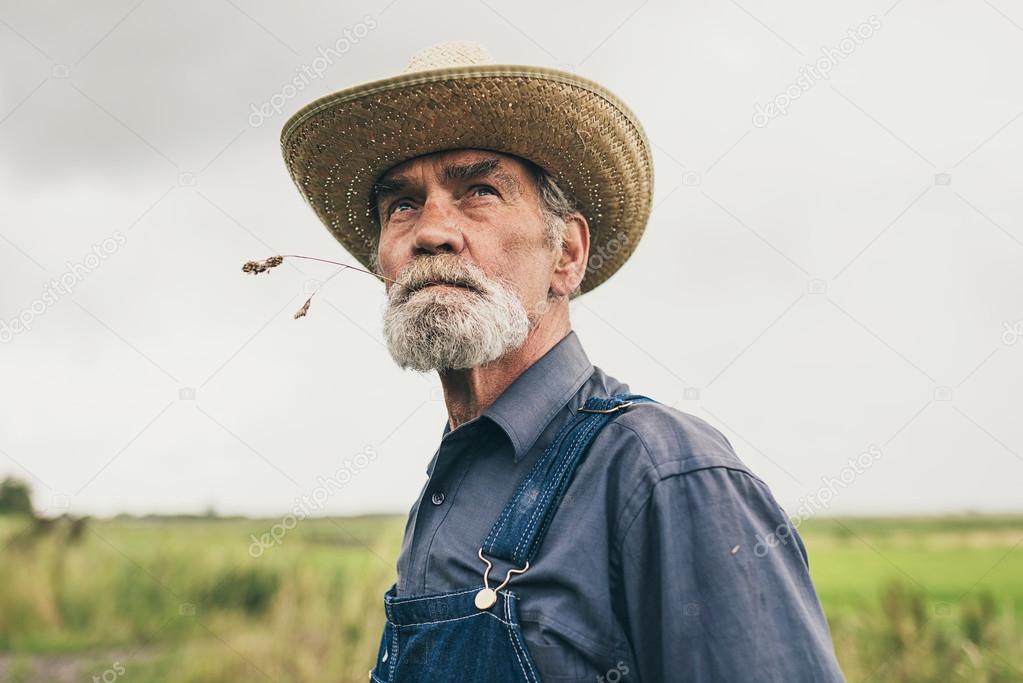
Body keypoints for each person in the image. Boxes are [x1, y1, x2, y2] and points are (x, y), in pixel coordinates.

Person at [281, 40, 845, 683]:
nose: (430, 231)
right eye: (402, 204)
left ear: (566, 255)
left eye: (480, 190)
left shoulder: (664, 473)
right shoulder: (453, 476)